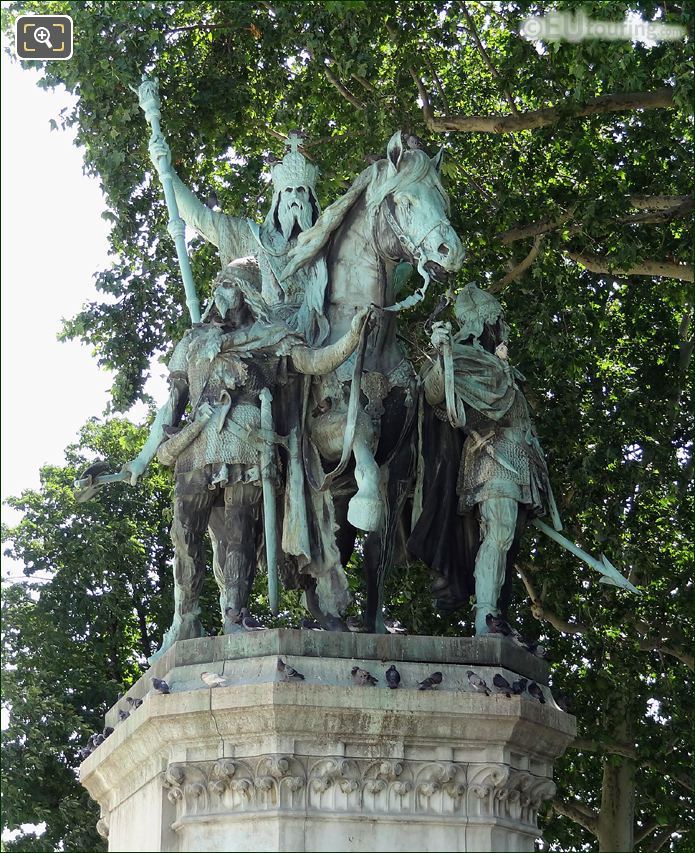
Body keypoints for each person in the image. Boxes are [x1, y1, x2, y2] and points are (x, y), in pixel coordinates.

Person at [124, 270, 370, 661]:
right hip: (197, 444)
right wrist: (142, 455)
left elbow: (312, 362)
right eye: (221, 284)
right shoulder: (193, 341)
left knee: (240, 534)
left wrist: (352, 337)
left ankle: (234, 614)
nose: (226, 293)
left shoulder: (270, 337)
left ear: (249, 293)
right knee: (184, 536)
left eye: (235, 286)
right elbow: (171, 404)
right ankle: (185, 617)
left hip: (248, 443)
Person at [409, 284, 561, 635]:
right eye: (497, 320)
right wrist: (442, 355)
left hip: (520, 463)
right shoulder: (463, 356)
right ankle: (486, 617)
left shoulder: (501, 365)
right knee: (499, 533)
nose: (502, 327)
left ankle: (497, 616)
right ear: (483, 323)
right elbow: (433, 392)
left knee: (507, 543)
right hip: (492, 457)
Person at [147, 131, 329, 344]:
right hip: (271, 334)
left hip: (323, 329)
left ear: (311, 198)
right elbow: (200, 217)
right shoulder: (255, 238)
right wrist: (165, 170)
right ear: (278, 200)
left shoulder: (329, 243)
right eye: (288, 191)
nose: (295, 197)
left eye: (301, 191)